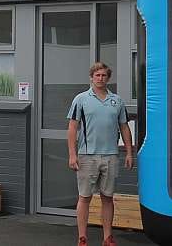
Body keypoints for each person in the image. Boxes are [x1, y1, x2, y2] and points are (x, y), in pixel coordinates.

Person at [67, 62, 134, 246]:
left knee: (107, 198)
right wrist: (72, 154)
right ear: (91, 77)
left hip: (111, 155)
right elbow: (72, 128)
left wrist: (129, 153)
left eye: (104, 75)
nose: (100, 78)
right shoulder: (81, 99)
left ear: (108, 78)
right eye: (97, 75)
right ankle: (82, 238)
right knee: (84, 197)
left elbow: (124, 127)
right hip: (87, 156)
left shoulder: (117, 101)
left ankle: (107, 238)